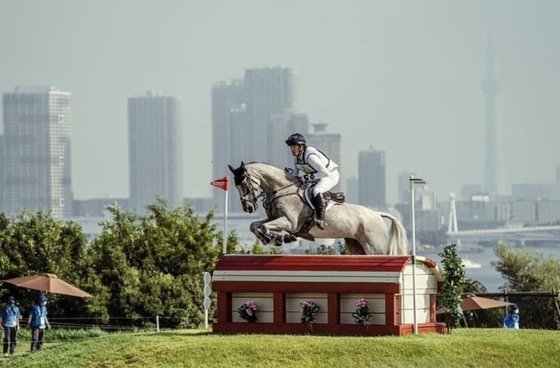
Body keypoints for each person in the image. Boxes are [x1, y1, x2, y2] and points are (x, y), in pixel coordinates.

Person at [285, 132, 340, 230]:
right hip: (318, 177)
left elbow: (324, 172)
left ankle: (321, 218)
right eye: (291, 147)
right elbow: (295, 176)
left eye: (293, 147)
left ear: (300, 147)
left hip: (331, 175)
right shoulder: (296, 159)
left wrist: (306, 178)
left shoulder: (310, 157)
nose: (291, 149)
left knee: (316, 191)